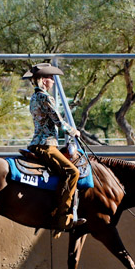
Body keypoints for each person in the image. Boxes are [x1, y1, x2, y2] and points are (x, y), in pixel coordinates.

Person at [22, 63, 86, 233]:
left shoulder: (34, 98)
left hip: (37, 143)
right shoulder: (45, 97)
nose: (52, 81)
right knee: (73, 172)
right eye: (50, 78)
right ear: (43, 81)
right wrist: (74, 132)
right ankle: (64, 217)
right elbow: (58, 121)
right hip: (46, 145)